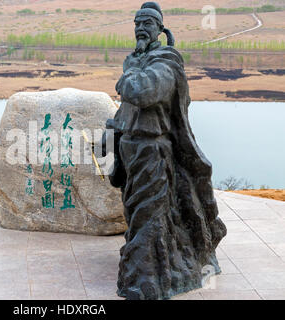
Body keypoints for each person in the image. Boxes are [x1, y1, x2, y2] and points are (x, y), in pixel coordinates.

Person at [104, 2, 227, 300]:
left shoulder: (167, 60)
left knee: (149, 213)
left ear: (160, 29)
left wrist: (126, 80)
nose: (141, 28)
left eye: (148, 22)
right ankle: (147, 265)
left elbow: (145, 92)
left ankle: (145, 280)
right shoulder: (133, 60)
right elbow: (127, 107)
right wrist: (111, 134)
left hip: (153, 150)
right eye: (137, 22)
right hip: (130, 148)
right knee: (136, 212)